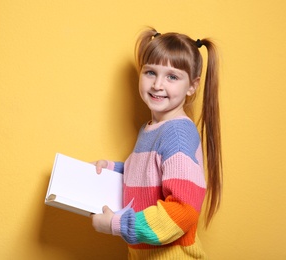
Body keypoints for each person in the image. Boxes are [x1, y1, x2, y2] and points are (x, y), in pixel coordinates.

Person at [91, 27, 222, 259]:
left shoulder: (178, 133)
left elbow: (183, 210)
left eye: (172, 76)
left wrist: (117, 223)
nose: (157, 85)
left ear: (192, 86)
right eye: (150, 72)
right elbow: (150, 173)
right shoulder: (152, 128)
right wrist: (114, 169)